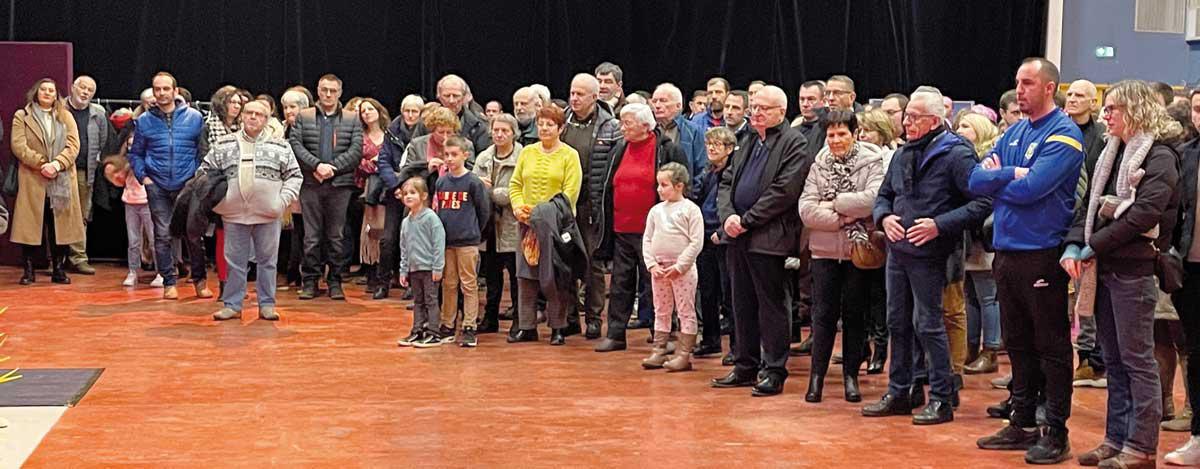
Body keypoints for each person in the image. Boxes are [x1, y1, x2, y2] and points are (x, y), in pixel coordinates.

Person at [968, 58, 1084, 465]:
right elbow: (974, 181)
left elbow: (1035, 188)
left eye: (1028, 83)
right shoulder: (1014, 131)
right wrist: (1011, 176)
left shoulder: (1065, 134)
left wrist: (1005, 179)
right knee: (1015, 341)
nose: (1019, 90)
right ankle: (1021, 422)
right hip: (1007, 251)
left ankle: (1056, 430)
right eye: (1017, 83)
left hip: (1042, 253)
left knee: (1050, 345)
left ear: (1050, 87)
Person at [1061, 79, 1181, 469]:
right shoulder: (1110, 152)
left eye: (1113, 108)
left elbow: (1144, 213)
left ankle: (1142, 447)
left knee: (1137, 361)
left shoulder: (1160, 156)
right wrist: (1074, 243)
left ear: (1136, 111)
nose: (1106, 114)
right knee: (1113, 361)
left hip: (1134, 272)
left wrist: (1094, 244)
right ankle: (1115, 440)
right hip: (1108, 267)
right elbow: (1090, 209)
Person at [864, 86, 990, 424]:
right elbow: (884, 195)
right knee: (897, 322)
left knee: (929, 324)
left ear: (935, 120)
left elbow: (981, 203)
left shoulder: (957, 153)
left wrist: (939, 225)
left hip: (933, 253)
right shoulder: (904, 152)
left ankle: (941, 397)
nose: (906, 122)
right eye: (906, 116)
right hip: (898, 251)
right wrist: (884, 217)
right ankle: (900, 391)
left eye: (914, 117)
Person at [710, 85, 809, 397]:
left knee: (771, 305)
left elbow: (784, 191)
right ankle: (745, 364)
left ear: (781, 111)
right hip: (737, 235)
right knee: (741, 302)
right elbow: (726, 181)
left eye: (764, 108)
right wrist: (728, 216)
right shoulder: (747, 139)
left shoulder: (794, 142)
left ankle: (774, 369)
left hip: (769, 235)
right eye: (754, 107)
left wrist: (747, 220)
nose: (756, 112)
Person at [798, 109, 885, 403]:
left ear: (854, 133)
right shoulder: (818, 164)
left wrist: (834, 202)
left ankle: (851, 376)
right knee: (822, 316)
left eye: (841, 134)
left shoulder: (872, 161)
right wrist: (841, 219)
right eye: (831, 135)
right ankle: (816, 378)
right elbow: (806, 209)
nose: (835, 140)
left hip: (857, 252)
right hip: (823, 251)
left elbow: (872, 200)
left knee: (854, 315)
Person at [593, 103, 689, 353]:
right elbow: (607, 185)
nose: (621, 127)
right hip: (622, 229)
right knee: (620, 283)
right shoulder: (619, 148)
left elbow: (683, 186)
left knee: (656, 284)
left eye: (627, 123)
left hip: (657, 232)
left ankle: (663, 336)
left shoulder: (668, 149)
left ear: (646, 126)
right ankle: (615, 334)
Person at [202, 100, 302, 321]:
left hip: (268, 214)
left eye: (259, 114)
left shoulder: (281, 145)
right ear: (242, 116)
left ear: (267, 120)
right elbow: (204, 174)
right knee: (234, 261)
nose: (253, 117)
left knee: (268, 261)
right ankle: (232, 305)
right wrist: (219, 204)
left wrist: (281, 201)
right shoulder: (224, 143)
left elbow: (295, 175)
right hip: (233, 214)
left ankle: (266, 304)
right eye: (249, 113)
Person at [127, 72, 210, 300]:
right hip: (158, 186)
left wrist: (196, 178)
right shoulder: (144, 121)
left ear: (175, 91)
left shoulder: (195, 117)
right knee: (162, 236)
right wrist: (144, 177)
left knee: (194, 234)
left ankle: (200, 281)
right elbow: (136, 154)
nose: (161, 93)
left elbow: (202, 151)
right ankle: (168, 281)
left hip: (188, 185)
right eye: (157, 89)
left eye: (166, 89)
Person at [507, 104, 582, 346]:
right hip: (526, 224)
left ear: (561, 128)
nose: (544, 128)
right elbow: (515, 184)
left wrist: (544, 215)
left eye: (550, 124)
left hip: (554, 228)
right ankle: (527, 326)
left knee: (553, 278)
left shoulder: (570, 155)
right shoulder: (527, 152)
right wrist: (519, 208)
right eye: (541, 123)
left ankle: (558, 327)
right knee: (525, 277)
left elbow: (569, 195)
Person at [289, 74, 363, 301]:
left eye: (333, 90)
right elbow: (295, 144)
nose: (328, 94)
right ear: (318, 91)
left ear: (340, 92)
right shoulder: (304, 116)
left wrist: (332, 168)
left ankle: (335, 281)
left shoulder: (352, 118)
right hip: (311, 183)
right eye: (324, 90)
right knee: (311, 236)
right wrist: (317, 165)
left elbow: (356, 150)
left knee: (336, 236)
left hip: (340, 184)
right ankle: (310, 280)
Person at [562, 73, 622, 339]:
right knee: (565, 260)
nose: (574, 98)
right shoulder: (562, 121)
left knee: (592, 263)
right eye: (572, 93)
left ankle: (594, 317)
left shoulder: (610, 126)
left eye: (580, 94)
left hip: (592, 204)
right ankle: (570, 316)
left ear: (594, 97)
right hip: (565, 203)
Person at [9, 78, 86, 285]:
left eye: (51, 90)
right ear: (36, 92)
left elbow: (73, 145)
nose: (47, 93)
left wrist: (57, 164)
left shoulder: (65, 116)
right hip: (33, 178)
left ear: (56, 95)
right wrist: (42, 164)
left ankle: (59, 270)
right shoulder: (22, 116)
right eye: (43, 89)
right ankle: (29, 270)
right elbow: (18, 146)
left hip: (60, 178)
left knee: (60, 227)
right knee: (31, 227)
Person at [1165, 87, 1200, 465]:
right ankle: (1198, 437)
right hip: (1192, 271)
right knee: (1196, 353)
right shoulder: (1185, 156)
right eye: (1196, 109)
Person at [641, 162, 704, 371]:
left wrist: (681, 265)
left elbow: (696, 242)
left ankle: (684, 353)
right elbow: (647, 239)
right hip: (659, 270)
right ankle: (659, 349)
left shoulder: (690, 210)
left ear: (679, 186)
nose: (659, 189)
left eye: (664, 184)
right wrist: (651, 264)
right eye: (658, 185)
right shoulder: (655, 211)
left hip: (681, 270)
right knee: (661, 309)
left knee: (685, 310)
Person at [955, 112, 1004, 375]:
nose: (959, 129)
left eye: (966, 126)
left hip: (985, 237)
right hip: (967, 236)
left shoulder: (989, 159)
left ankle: (991, 350)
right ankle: (971, 348)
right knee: (970, 296)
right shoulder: (962, 157)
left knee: (988, 297)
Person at [432, 136, 490, 347]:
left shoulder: (473, 182)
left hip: (467, 242)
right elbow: (438, 209)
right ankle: (447, 324)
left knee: (469, 284)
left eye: (454, 154)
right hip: (447, 242)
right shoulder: (441, 182)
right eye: (446, 155)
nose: (449, 159)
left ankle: (469, 325)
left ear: (465, 155)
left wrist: (474, 232)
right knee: (448, 283)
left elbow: (484, 212)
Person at [473, 113, 522, 334]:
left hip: (513, 225)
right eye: (496, 130)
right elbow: (474, 187)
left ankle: (520, 320)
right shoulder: (484, 156)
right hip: (489, 226)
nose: (499, 134)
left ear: (514, 133)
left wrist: (490, 190)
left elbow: (514, 193)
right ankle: (490, 318)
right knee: (491, 276)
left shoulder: (523, 156)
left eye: (505, 130)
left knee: (516, 277)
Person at [695, 126, 736, 362]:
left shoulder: (733, 173)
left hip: (725, 238)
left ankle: (735, 347)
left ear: (729, 149)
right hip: (704, 236)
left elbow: (733, 205)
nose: (711, 148)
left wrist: (722, 231)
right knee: (707, 292)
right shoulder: (706, 172)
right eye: (709, 144)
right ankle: (710, 341)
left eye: (717, 144)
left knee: (729, 294)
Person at [104, 129, 164, 288]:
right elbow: (118, 180)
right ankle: (133, 271)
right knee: (133, 241)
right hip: (130, 203)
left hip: (147, 202)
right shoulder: (125, 162)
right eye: (129, 145)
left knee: (153, 239)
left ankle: (161, 273)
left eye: (134, 144)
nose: (132, 147)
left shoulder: (149, 159)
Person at [395, 176, 447, 348]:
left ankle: (434, 331)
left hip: (429, 268)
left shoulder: (431, 218)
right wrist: (403, 270)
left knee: (431, 300)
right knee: (418, 301)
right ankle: (418, 329)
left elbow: (438, 243)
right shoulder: (405, 222)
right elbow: (404, 248)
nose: (408, 196)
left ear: (424, 196)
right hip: (414, 269)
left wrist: (438, 267)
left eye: (412, 193)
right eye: (405, 194)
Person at [63, 75, 106, 275]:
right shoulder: (58, 109)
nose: (85, 92)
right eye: (82, 87)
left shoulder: (99, 113)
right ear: (72, 87)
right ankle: (55, 258)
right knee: (55, 215)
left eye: (90, 89)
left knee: (81, 216)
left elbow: (103, 141)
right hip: (58, 170)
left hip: (83, 171)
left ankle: (78, 258)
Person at [356, 98, 389, 293]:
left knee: (384, 229)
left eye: (370, 109)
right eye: (363, 111)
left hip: (386, 188)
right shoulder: (359, 137)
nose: (367, 113)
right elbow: (356, 161)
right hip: (366, 188)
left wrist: (381, 164)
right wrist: (374, 164)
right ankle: (370, 271)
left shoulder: (389, 135)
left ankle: (384, 271)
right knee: (369, 229)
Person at [651, 83, 707, 183]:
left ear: (678, 105)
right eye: (654, 101)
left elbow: (701, 168)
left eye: (663, 101)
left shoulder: (693, 131)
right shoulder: (650, 130)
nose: (657, 105)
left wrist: (692, 194)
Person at [791, 80, 827, 152]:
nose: (805, 104)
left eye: (811, 99)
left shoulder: (829, 129)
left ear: (824, 101)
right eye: (802, 99)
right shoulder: (792, 131)